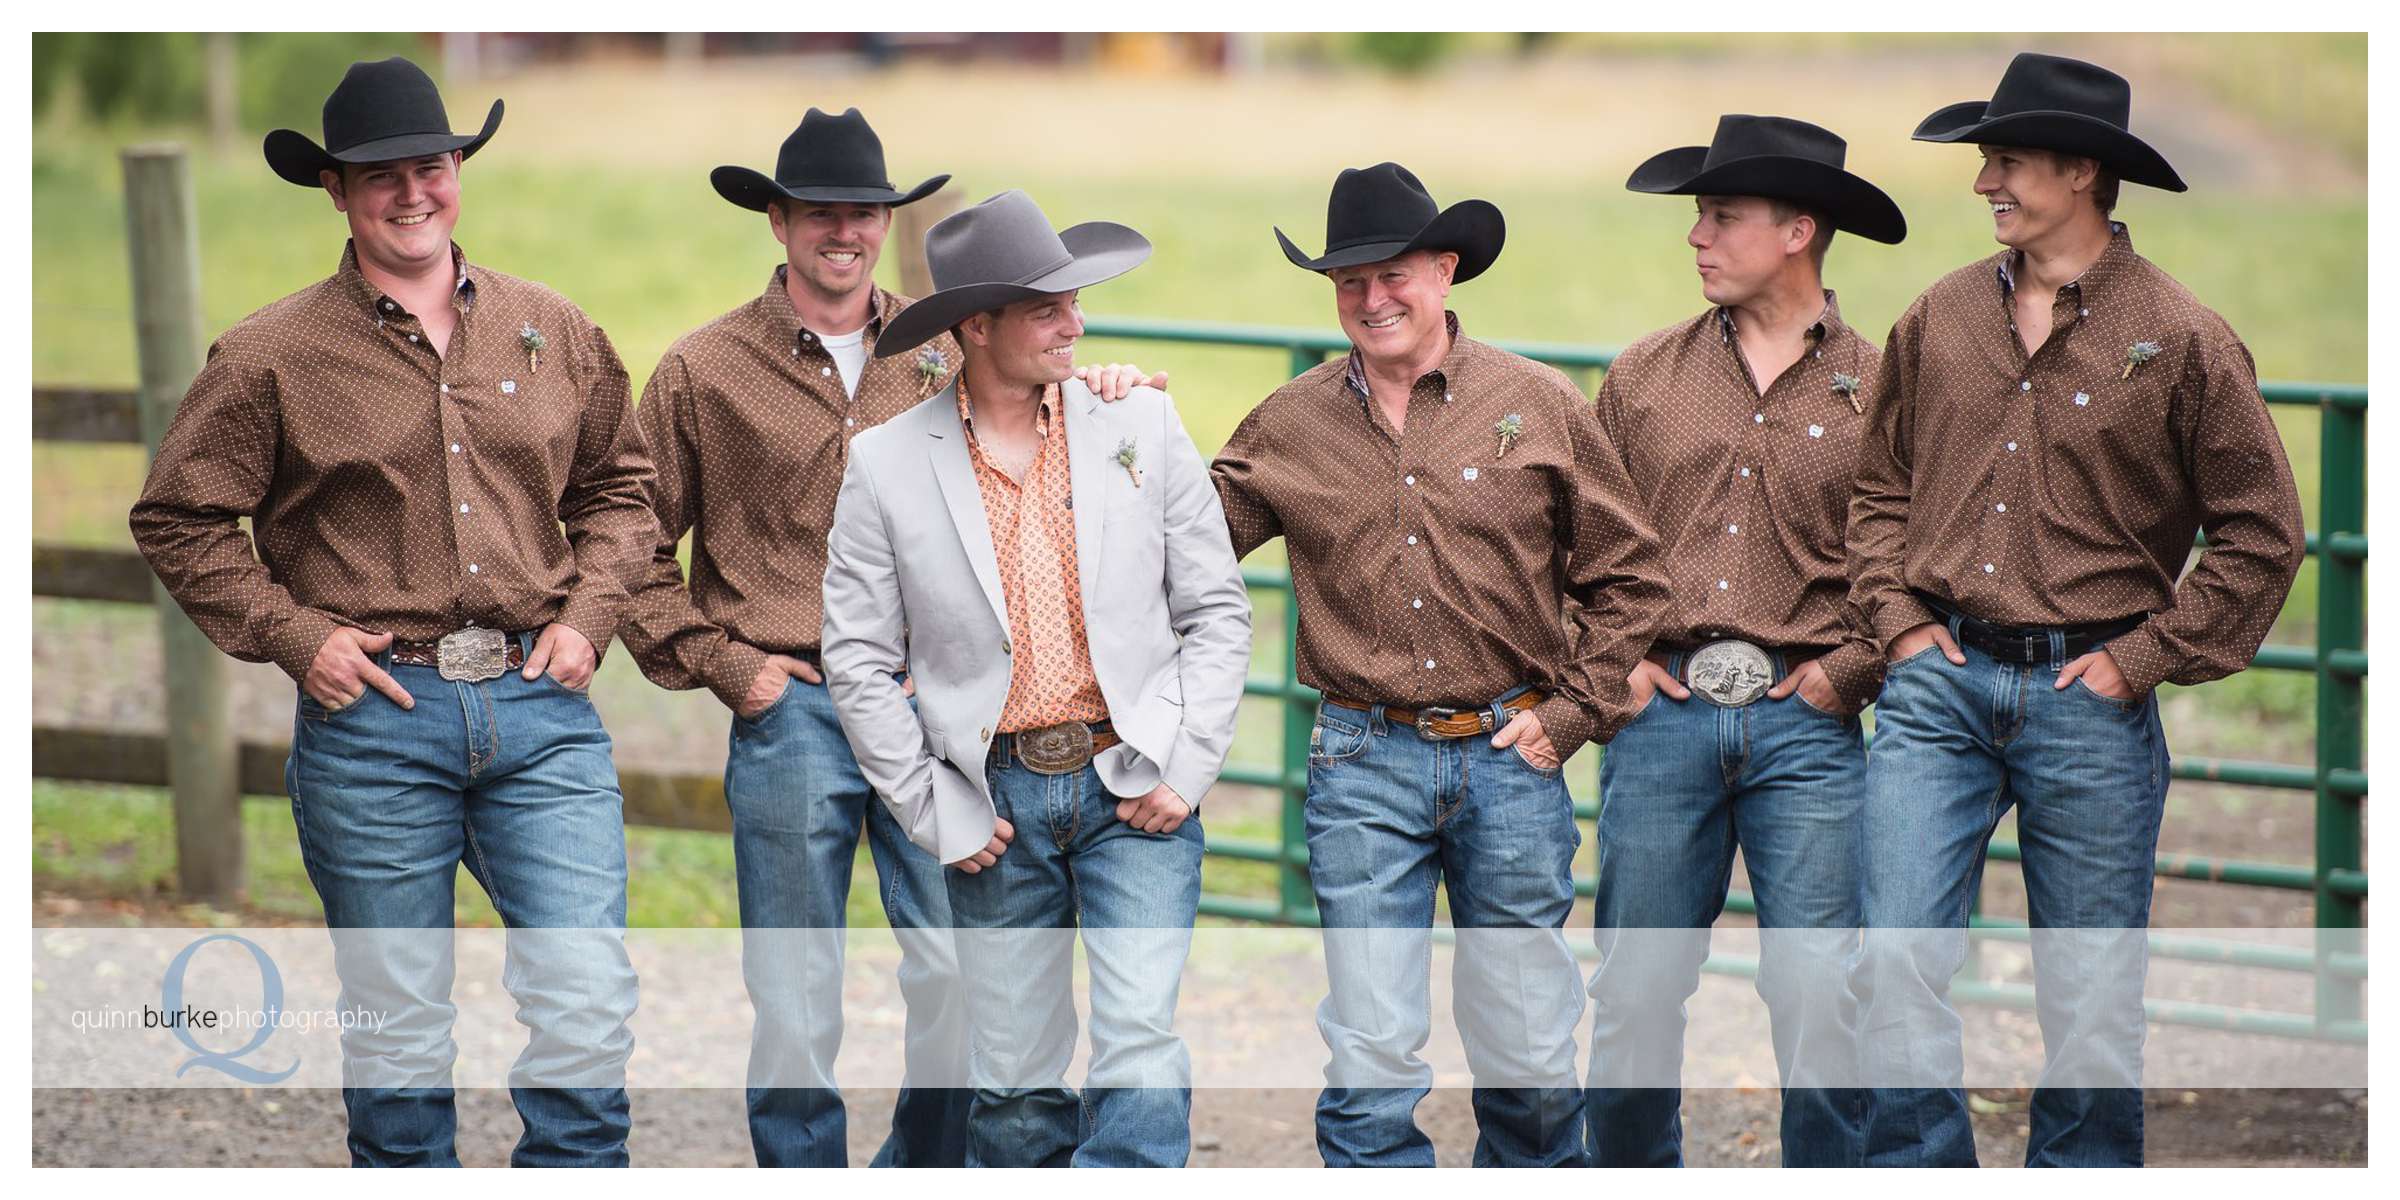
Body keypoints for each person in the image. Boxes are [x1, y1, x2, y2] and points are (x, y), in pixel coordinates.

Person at [128, 57, 653, 1167]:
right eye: (381, 176)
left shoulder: (549, 326)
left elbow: (622, 488)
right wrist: (294, 634)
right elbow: (177, 517)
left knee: (587, 996)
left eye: (431, 167)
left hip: (538, 704)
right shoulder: (271, 355)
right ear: (335, 191)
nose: (411, 193)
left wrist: (589, 615)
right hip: (375, 719)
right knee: (400, 1032)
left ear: (459, 171)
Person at [1847, 52, 2306, 1167]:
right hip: (1939, 686)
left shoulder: (2183, 337)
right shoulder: (1940, 316)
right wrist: (1904, 631)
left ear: (2084, 170)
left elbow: (2262, 531)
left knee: (2093, 995)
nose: (1982, 184)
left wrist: (2144, 659)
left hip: (2091, 697)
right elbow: (1877, 493)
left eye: (2004, 161)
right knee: (1890, 957)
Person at [1211, 162, 1669, 1166]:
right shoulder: (1289, 423)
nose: (1373, 299)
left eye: (1394, 275)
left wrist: (1573, 714)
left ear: (1446, 268)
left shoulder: (1538, 404)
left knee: (1530, 1046)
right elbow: (1180, 541)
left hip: (1512, 755)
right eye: (1349, 282)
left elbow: (1631, 577)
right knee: (1372, 1045)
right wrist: (1108, 416)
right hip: (1362, 754)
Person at [820, 189, 1251, 1167]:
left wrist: (1185, 765)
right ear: (978, 327)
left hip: (1131, 778)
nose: (1078, 323)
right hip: (994, 802)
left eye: (1075, 303)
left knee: (1138, 1047)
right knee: (1012, 1085)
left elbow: (1217, 610)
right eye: (1048, 309)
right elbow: (854, 653)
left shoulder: (1136, 418)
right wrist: (931, 806)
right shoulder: (886, 464)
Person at [1583, 113, 1906, 1168]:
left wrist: (1849, 672)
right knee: (1634, 987)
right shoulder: (1642, 376)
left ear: (1799, 230)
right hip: (1662, 715)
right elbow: (1574, 540)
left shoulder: (1890, 382)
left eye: (1722, 217)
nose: (1697, 238)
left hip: (1807, 725)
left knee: (1820, 989)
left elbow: (1918, 547)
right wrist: (1618, 666)